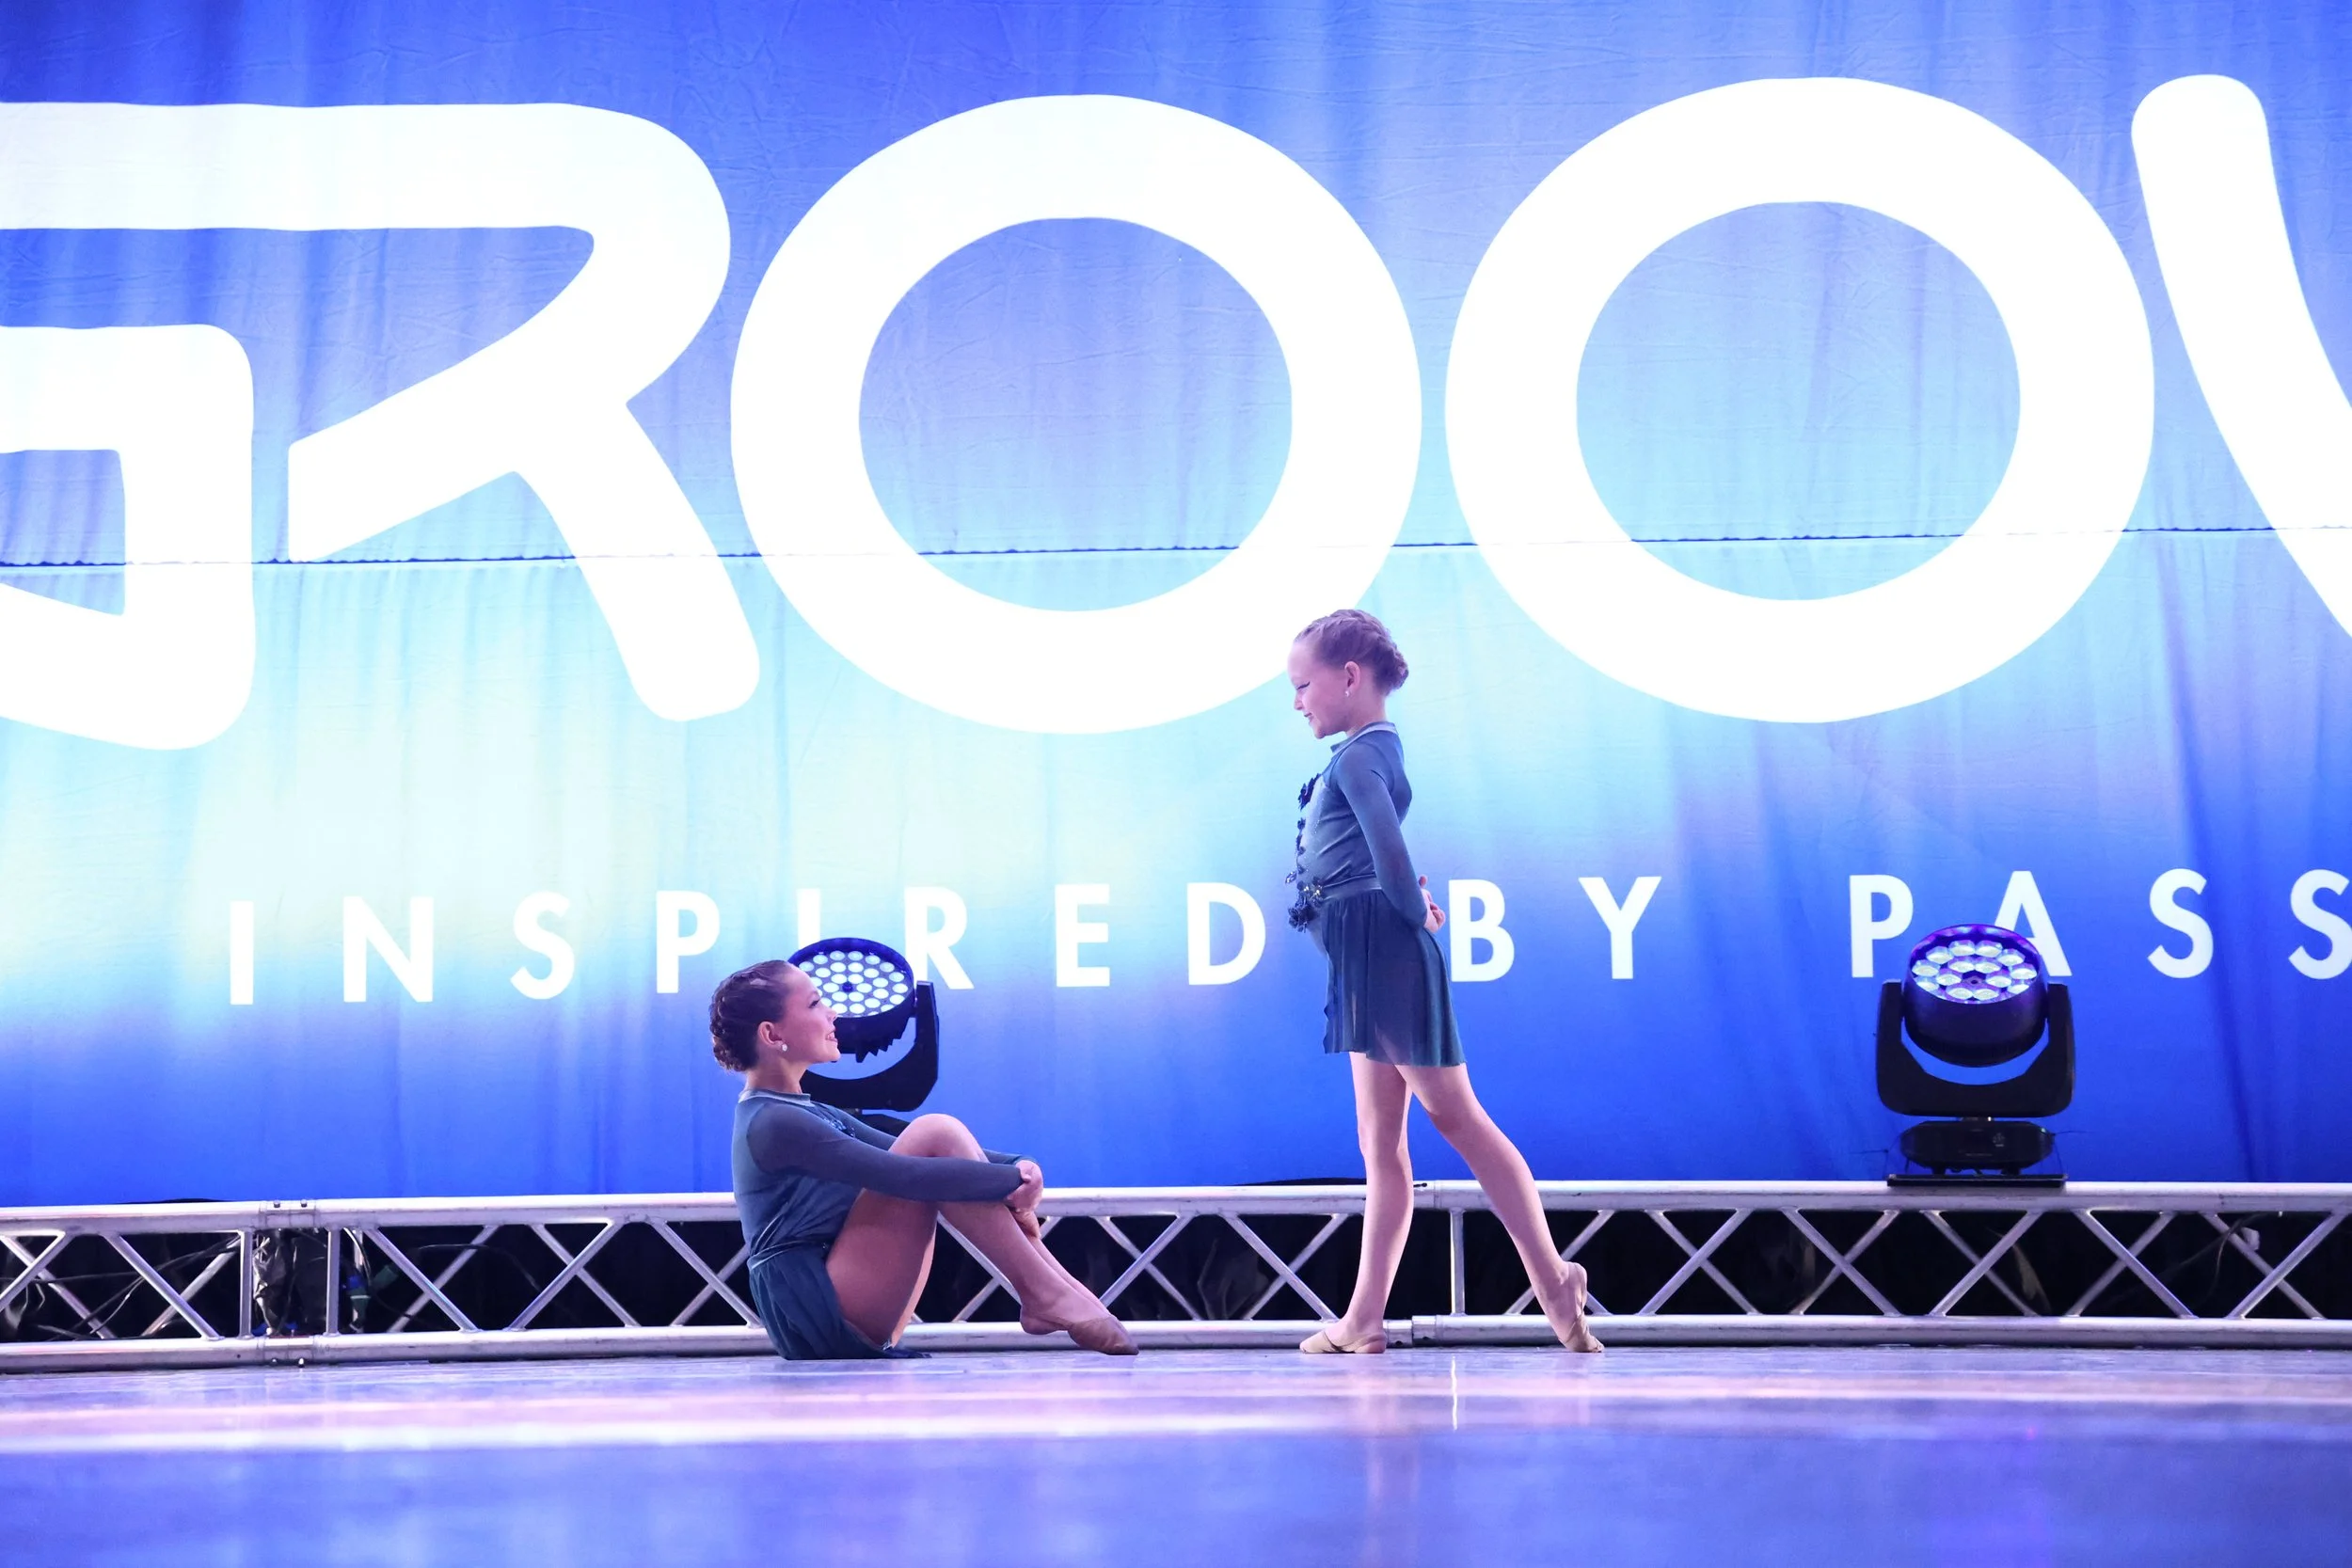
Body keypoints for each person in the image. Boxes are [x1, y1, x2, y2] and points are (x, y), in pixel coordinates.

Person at [1285, 609, 1601, 1354]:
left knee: (1455, 1117)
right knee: (1379, 1142)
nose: (1297, 701)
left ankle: (1554, 1279)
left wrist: (1411, 912)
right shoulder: (1367, 751)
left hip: (1384, 955)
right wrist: (1399, 904)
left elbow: (1391, 858)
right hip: (1363, 956)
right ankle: (1364, 1319)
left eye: (1303, 684)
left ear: (1350, 677)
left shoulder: (1361, 756)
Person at [711, 958, 1136, 1359]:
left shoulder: (805, 1110)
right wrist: (1008, 1184)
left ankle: (1055, 1294)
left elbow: (900, 1149)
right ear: (771, 1035)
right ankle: (1047, 1294)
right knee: (936, 1132)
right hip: (813, 1308)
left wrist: (1021, 1168)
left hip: (838, 1290)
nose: (833, 1014)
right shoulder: (772, 1121)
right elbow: (905, 1176)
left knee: (939, 1135)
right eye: (816, 1003)